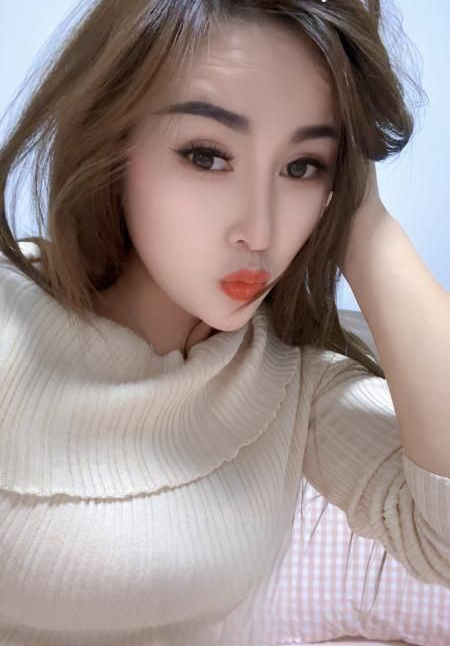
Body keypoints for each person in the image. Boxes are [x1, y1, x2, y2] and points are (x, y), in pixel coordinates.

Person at [0, 1, 448, 644]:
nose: (260, 231)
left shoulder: (294, 385)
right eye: (207, 156)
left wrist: (367, 228)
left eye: (302, 166)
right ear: (114, 143)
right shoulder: (11, 319)